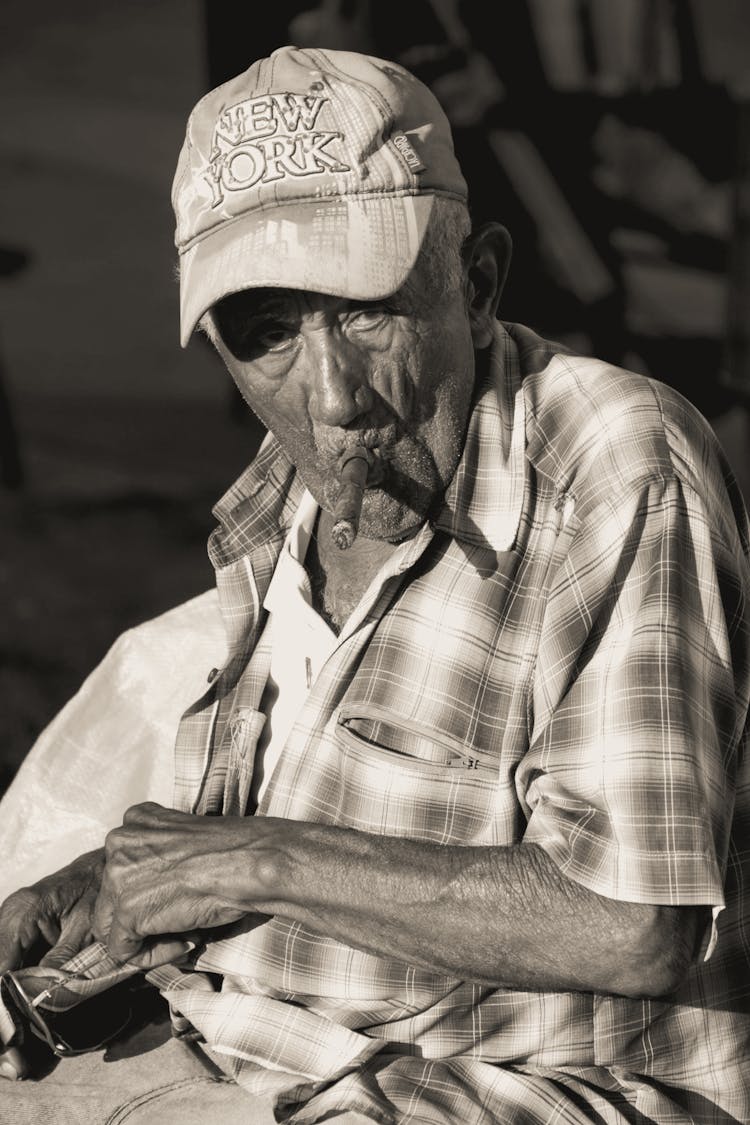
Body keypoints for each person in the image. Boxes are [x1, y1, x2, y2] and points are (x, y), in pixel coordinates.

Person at [1, 44, 749, 1125]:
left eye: (364, 310)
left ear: (478, 282)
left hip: (520, 1089)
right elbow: (316, 831)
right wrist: (117, 893)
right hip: (251, 1038)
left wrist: (248, 862)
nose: (333, 396)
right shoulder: (286, 495)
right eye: (265, 335)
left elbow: (635, 921)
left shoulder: (617, 466)